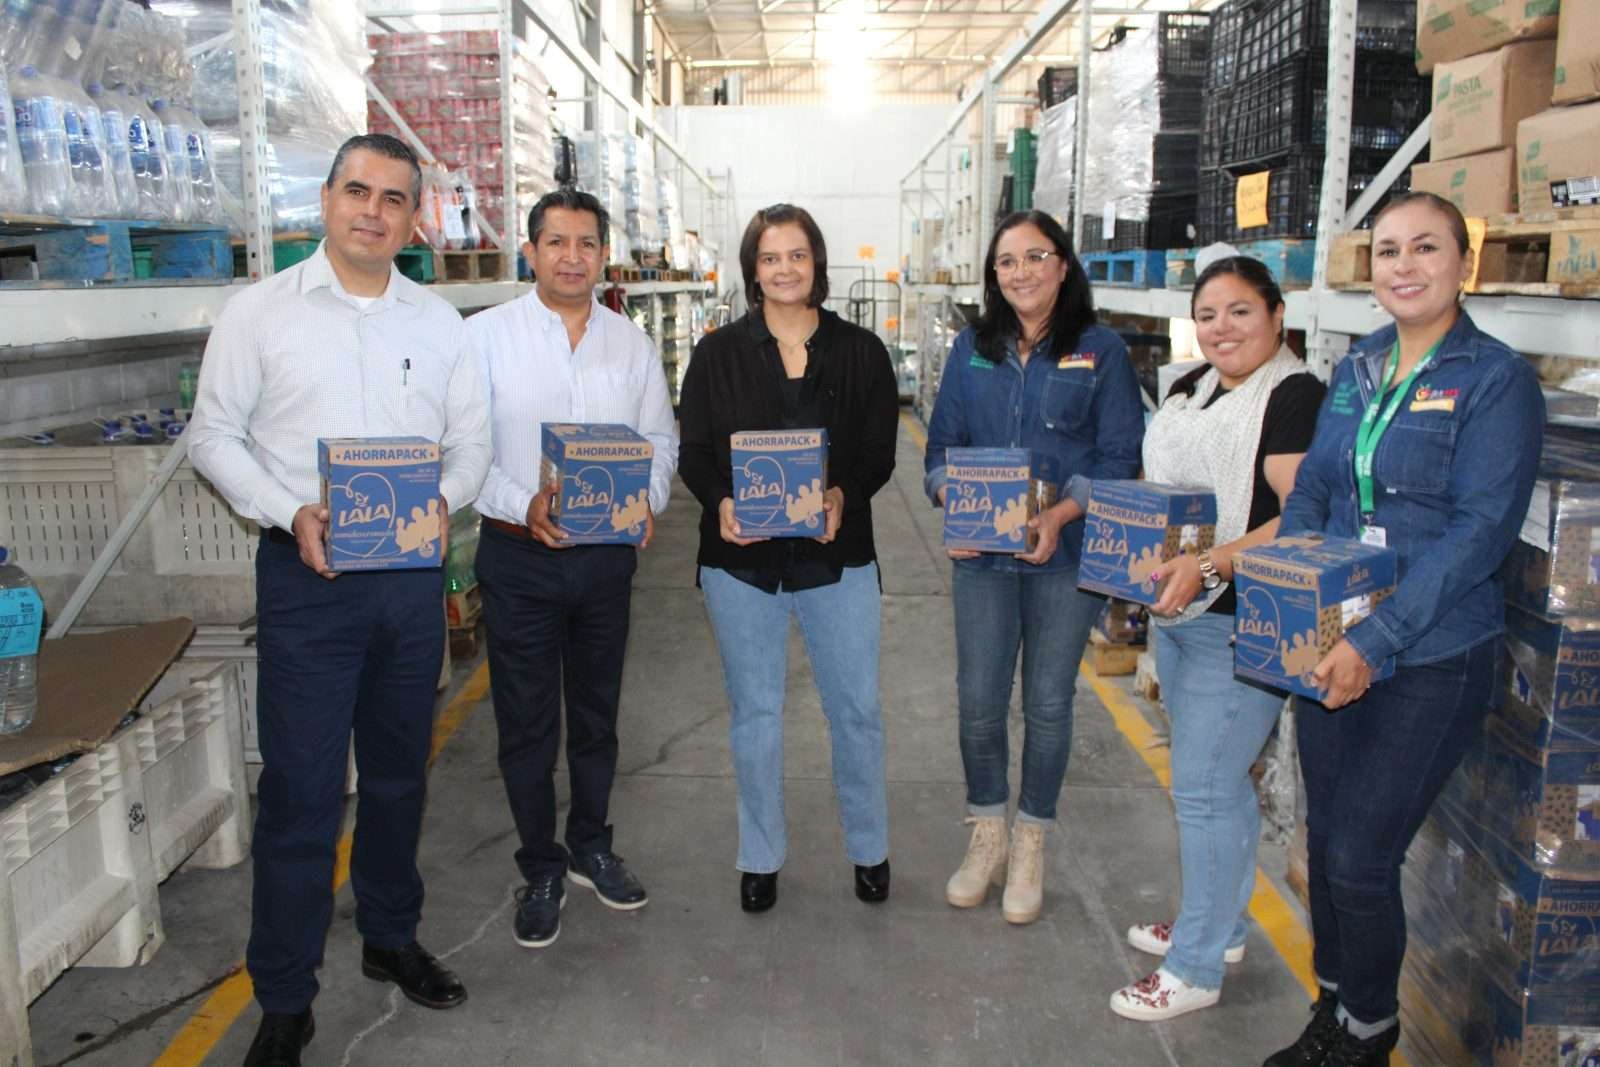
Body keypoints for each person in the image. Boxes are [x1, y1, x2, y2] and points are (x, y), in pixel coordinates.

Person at [186, 133, 492, 1067]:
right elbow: (211, 435)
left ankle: (390, 936)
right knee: (302, 790)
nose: (373, 211)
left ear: (414, 218)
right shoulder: (259, 314)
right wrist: (290, 510)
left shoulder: (439, 325)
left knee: (400, 773)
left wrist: (442, 502)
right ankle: (286, 995)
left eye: (394, 198)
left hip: (406, 582)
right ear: (325, 200)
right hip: (307, 579)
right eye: (358, 191)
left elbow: (471, 444)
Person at [1263, 192, 1544, 1067]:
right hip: (1335, 634)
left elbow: (1480, 533)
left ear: (1465, 262)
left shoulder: (1496, 379)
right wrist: (1301, 587)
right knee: (1325, 843)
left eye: (1426, 247)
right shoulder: (1357, 366)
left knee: (1358, 855)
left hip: (1430, 654)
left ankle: (1370, 1029)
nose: (1405, 265)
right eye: (1388, 250)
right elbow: (1316, 485)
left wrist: (1373, 642)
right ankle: (1333, 1004)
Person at [1104, 256, 1324, 1021]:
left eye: (1240, 311)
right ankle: (1220, 924)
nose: (1221, 328)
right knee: (1220, 784)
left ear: (1277, 317)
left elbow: (1297, 520)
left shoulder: (1293, 396)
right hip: (1181, 616)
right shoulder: (1190, 387)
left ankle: (1194, 966)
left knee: (1202, 785)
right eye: (1207, 314)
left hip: (1242, 620)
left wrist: (1208, 563)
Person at [464, 188, 678, 951]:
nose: (572, 257)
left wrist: (647, 499)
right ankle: (540, 864)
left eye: (587, 243)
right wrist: (523, 504)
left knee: (596, 713)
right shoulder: (484, 339)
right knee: (526, 721)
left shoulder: (630, 345)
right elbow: (466, 452)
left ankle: (590, 842)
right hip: (518, 554)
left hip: (604, 560)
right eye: (556, 242)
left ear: (603, 254)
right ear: (530, 251)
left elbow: (660, 439)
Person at [922, 210, 1144, 924]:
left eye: (1035, 257)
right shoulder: (972, 349)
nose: (1020, 272)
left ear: (1063, 265)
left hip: (1064, 559)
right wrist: (954, 501)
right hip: (982, 559)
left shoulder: (1101, 351)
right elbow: (941, 447)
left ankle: (1031, 839)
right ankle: (987, 831)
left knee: (1048, 703)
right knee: (979, 702)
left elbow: (1119, 457)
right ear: (994, 275)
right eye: (1007, 261)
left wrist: (1061, 515)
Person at [678, 203, 899, 913]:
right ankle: (761, 854)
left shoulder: (861, 352)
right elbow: (694, 452)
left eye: (797, 255)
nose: (784, 269)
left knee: (856, 709)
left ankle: (868, 847)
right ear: (753, 269)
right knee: (755, 713)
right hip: (741, 565)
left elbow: (879, 452)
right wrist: (720, 501)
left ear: (817, 263)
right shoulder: (717, 354)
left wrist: (841, 494)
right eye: (770, 257)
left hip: (839, 557)